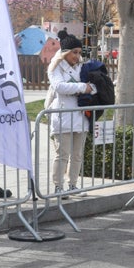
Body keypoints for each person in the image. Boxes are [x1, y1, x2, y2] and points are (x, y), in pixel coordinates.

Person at [47, 31, 95, 197]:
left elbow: (94, 87)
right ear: (65, 52)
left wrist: (86, 88)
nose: (77, 56)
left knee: (77, 155)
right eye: (74, 52)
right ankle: (58, 186)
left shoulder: (82, 67)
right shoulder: (55, 67)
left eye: (79, 53)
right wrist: (82, 87)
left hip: (81, 116)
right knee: (62, 155)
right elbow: (60, 87)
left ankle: (73, 184)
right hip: (63, 116)